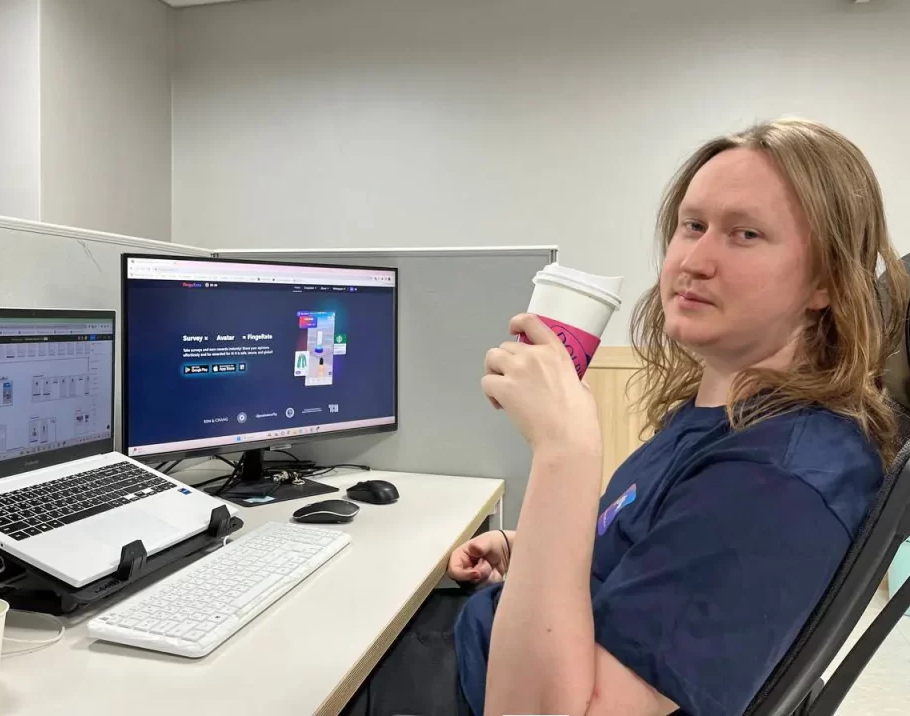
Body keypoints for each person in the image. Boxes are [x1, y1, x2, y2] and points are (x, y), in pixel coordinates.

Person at [340, 118, 910, 716]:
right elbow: (640, 547)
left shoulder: (777, 482)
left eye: (744, 234)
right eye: (692, 226)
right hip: (490, 641)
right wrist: (528, 550)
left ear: (825, 280)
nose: (694, 259)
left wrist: (564, 451)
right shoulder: (723, 416)